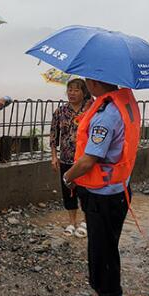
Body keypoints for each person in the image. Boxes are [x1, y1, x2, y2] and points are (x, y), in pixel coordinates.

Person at [62, 79, 141, 296]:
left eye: (87, 80)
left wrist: (68, 176)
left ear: (95, 82)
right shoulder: (125, 102)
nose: (85, 84)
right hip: (118, 188)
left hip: (104, 195)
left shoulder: (106, 115)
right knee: (101, 246)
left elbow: (89, 160)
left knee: (103, 251)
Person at [49, 79, 91, 237]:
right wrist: (54, 157)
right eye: (70, 90)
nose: (72, 93)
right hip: (66, 158)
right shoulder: (60, 111)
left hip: (84, 160)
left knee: (85, 191)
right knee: (68, 191)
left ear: (84, 92)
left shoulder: (89, 110)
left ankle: (86, 222)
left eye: (76, 90)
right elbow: (54, 136)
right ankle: (71, 222)